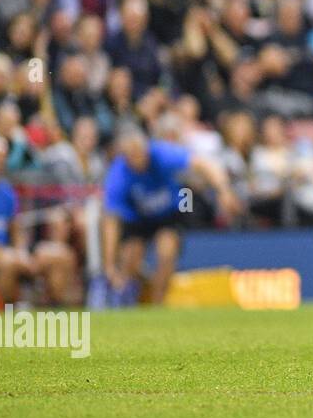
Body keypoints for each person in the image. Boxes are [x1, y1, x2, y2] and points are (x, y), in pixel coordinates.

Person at [98, 125, 241, 306]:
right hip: (137, 218)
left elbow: (204, 164)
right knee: (129, 261)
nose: (137, 159)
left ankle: (158, 305)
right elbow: (110, 220)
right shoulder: (118, 174)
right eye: (131, 156)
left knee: (166, 251)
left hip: (169, 214)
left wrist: (224, 191)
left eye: (140, 153)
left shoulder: (162, 153)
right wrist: (109, 264)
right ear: (124, 156)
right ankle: (134, 298)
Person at [0, 134, 82, 307]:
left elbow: (15, 227)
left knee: (61, 255)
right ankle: (9, 313)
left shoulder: (7, 191)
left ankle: (53, 310)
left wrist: (20, 251)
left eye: (0, 158)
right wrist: (5, 253)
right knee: (7, 262)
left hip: (9, 251)